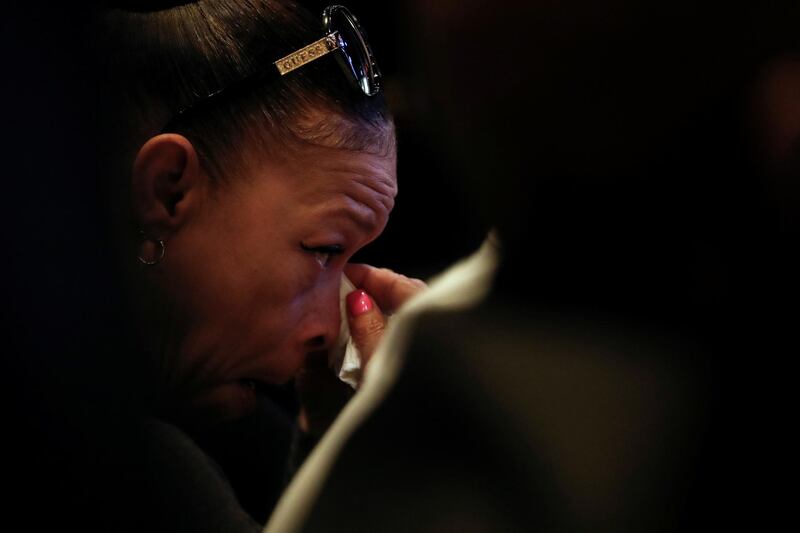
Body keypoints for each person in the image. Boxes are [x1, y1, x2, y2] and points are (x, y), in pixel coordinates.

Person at [7, 1, 426, 531]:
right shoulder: (139, 479)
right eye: (321, 250)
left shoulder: (251, 445)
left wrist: (334, 458)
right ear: (169, 190)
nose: (329, 328)